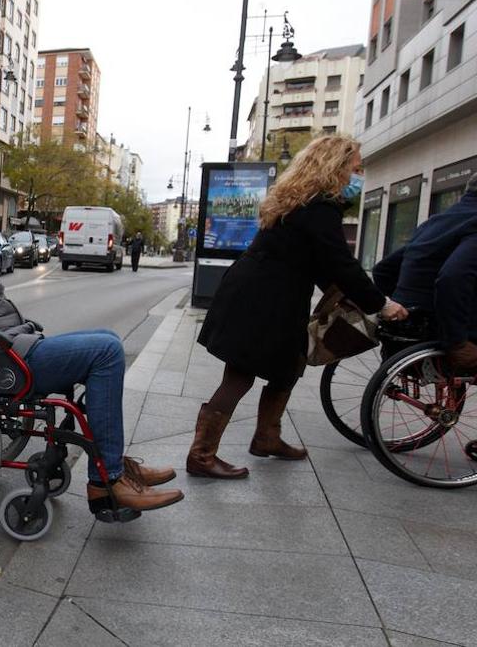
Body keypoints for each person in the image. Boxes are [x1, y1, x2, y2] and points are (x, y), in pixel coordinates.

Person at [0, 173, 184, 513]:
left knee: (107, 338)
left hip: (2, 346)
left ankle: (112, 462)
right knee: (106, 352)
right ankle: (107, 480)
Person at [190, 136, 408, 479]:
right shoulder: (319, 208)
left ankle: (267, 437)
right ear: (336, 167)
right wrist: (381, 304)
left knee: (288, 366)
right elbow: (340, 264)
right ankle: (201, 456)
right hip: (264, 299)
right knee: (240, 374)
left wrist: (354, 298)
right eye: (355, 168)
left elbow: (320, 263)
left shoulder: (299, 201)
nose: (358, 174)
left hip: (263, 293)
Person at [373, 174, 477, 372]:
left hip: (406, 327)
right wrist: (457, 343)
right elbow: (452, 278)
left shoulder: (436, 221)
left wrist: (399, 305)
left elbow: (382, 270)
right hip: (439, 329)